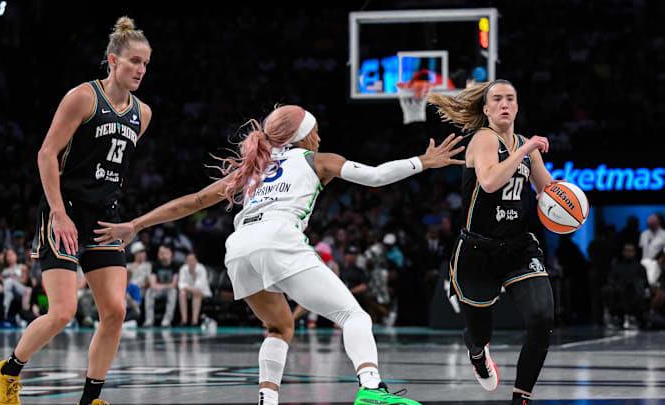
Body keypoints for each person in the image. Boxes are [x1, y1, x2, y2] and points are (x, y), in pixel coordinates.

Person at [93, 104, 464, 405]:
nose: (319, 136)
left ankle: (266, 401)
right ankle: (371, 389)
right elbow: (377, 176)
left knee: (279, 326)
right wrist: (423, 162)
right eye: (315, 130)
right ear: (303, 135)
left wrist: (137, 224)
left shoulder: (252, 169)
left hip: (238, 247)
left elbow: (194, 201)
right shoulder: (317, 159)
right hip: (277, 237)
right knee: (353, 315)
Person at [0, 16, 152, 405]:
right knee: (61, 312)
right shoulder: (83, 97)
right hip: (65, 211)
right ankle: (8, 372)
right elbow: (46, 154)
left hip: (105, 218)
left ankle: (90, 398)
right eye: (134, 61)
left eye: (145, 64)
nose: (141, 70)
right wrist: (58, 212)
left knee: (114, 311)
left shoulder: (142, 114)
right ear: (112, 60)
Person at [428, 79, 557, 405]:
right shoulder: (484, 140)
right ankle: (476, 350)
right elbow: (488, 182)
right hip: (477, 251)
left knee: (542, 317)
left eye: (510, 98)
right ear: (486, 110)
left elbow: (548, 193)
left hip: (517, 248)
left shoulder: (526, 145)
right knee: (481, 332)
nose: (504, 103)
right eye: (497, 99)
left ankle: (521, 398)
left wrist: (567, 203)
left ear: (516, 107)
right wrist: (525, 151)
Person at [144, 244, 179, 327]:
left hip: (168, 291)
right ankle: (149, 319)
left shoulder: (175, 266)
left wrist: (162, 286)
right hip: (158, 291)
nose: (163, 255)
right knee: (149, 291)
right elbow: (152, 284)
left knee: (173, 291)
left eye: (165, 253)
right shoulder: (155, 265)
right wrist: (162, 286)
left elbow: (174, 284)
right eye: (161, 253)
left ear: (171, 254)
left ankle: (167, 320)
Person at [177, 252, 212, 327]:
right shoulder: (183, 268)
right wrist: (190, 289)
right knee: (182, 293)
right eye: (189, 260)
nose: (191, 262)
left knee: (196, 294)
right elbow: (181, 284)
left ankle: (194, 321)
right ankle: (184, 320)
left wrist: (193, 275)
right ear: (186, 261)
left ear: (196, 260)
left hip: (202, 292)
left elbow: (200, 285)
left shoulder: (201, 268)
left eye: (192, 259)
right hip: (189, 292)